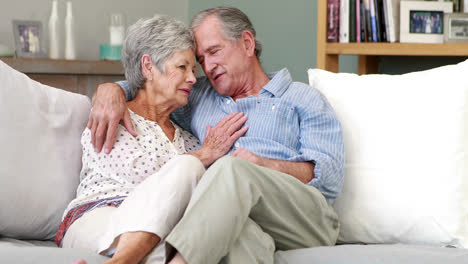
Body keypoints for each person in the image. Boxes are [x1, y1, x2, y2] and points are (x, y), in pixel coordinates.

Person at [90, 6, 344, 264]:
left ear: (246, 43)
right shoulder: (198, 97)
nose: (207, 67)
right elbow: (149, 86)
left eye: (214, 51)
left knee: (232, 168)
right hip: (233, 214)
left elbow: (329, 177)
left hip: (303, 218)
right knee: (242, 238)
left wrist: (264, 166)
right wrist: (110, 90)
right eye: (201, 60)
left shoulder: (302, 97)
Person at [57, 14, 247, 264]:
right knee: (188, 168)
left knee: (174, 250)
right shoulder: (112, 117)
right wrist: (201, 158)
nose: (192, 78)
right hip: (99, 216)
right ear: (148, 67)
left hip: (159, 228)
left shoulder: (190, 140)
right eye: (182, 67)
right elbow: (141, 179)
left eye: (193, 69)